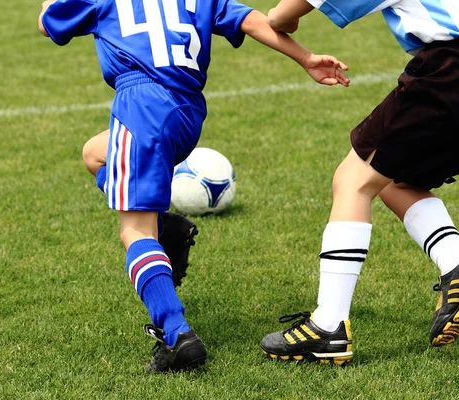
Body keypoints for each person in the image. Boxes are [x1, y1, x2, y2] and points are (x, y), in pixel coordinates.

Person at [38, 0, 349, 373]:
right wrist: (306, 58)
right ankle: (166, 226)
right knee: (95, 154)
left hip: (143, 107)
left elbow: (47, 22)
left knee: (135, 230)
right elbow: (253, 22)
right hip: (186, 112)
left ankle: (176, 335)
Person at [260, 0, 459, 365]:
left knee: (352, 181)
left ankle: (327, 327)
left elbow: (289, 13)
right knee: (396, 179)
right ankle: (456, 263)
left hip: (452, 69)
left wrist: (279, 17)